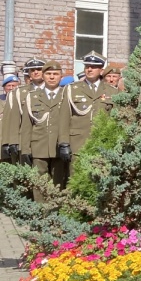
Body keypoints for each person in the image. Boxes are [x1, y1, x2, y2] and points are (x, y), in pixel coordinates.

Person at [20, 61, 69, 199]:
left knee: (58, 181)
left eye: (55, 74)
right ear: (43, 75)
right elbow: (26, 125)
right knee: (39, 182)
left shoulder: (67, 95)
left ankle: (54, 211)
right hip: (38, 146)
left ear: (61, 76)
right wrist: (25, 149)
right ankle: (41, 213)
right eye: (48, 74)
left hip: (58, 146)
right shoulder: (32, 96)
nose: (52, 77)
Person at [60, 51, 119, 157]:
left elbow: (116, 120)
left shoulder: (112, 92)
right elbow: (64, 118)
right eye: (87, 66)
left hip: (102, 145)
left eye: (93, 67)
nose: (89, 69)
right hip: (77, 144)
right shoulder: (71, 89)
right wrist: (63, 143)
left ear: (101, 70)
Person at [1, 58, 46, 164]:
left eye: (39, 69)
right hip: (24, 141)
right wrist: (8, 142)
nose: (35, 72)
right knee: (24, 176)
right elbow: (10, 120)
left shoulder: (53, 91)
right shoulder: (18, 93)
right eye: (32, 70)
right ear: (29, 73)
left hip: (46, 139)